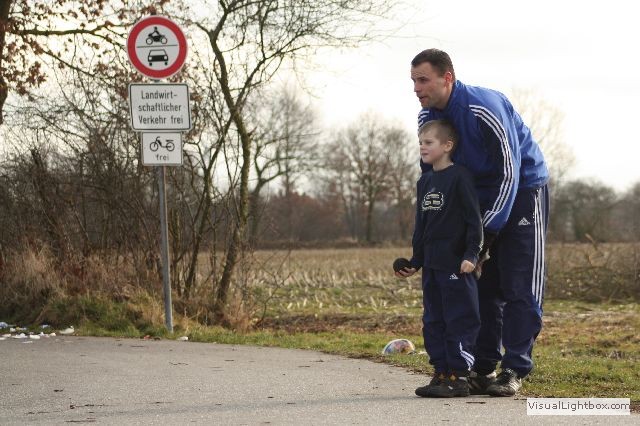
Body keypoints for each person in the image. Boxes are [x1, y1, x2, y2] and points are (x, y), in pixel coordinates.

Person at [409, 48, 550, 397]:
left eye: (423, 80)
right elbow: (434, 176)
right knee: (480, 285)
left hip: (522, 191)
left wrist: (486, 232)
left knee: (519, 283)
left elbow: (509, 172)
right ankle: (482, 368)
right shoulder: (427, 115)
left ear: (447, 78)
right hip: (474, 197)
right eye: (413, 81)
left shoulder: (483, 107)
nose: (416, 88)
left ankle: (514, 368)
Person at [396, 119, 483, 398]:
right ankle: (441, 372)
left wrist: (472, 254)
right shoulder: (425, 181)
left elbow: (474, 221)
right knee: (433, 320)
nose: (422, 147)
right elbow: (421, 227)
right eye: (420, 142)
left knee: (458, 319)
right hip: (432, 266)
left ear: (447, 145)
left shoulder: (460, 177)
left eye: (428, 142)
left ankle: (459, 377)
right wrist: (415, 261)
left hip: (456, 264)